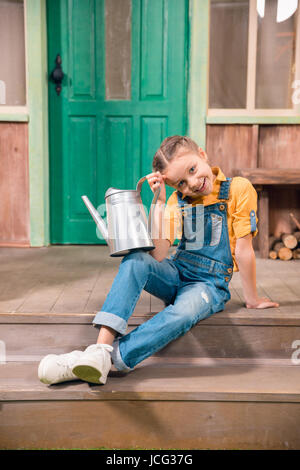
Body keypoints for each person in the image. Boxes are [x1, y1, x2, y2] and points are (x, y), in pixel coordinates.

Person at [38, 135, 279, 386]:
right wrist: (160, 201)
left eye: (193, 170)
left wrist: (252, 300)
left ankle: (107, 360)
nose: (191, 184)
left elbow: (243, 250)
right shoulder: (176, 201)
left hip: (207, 285)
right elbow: (159, 255)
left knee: (182, 314)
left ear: (202, 154)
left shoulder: (238, 189)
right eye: (181, 184)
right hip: (176, 273)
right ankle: (100, 350)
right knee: (136, 259)